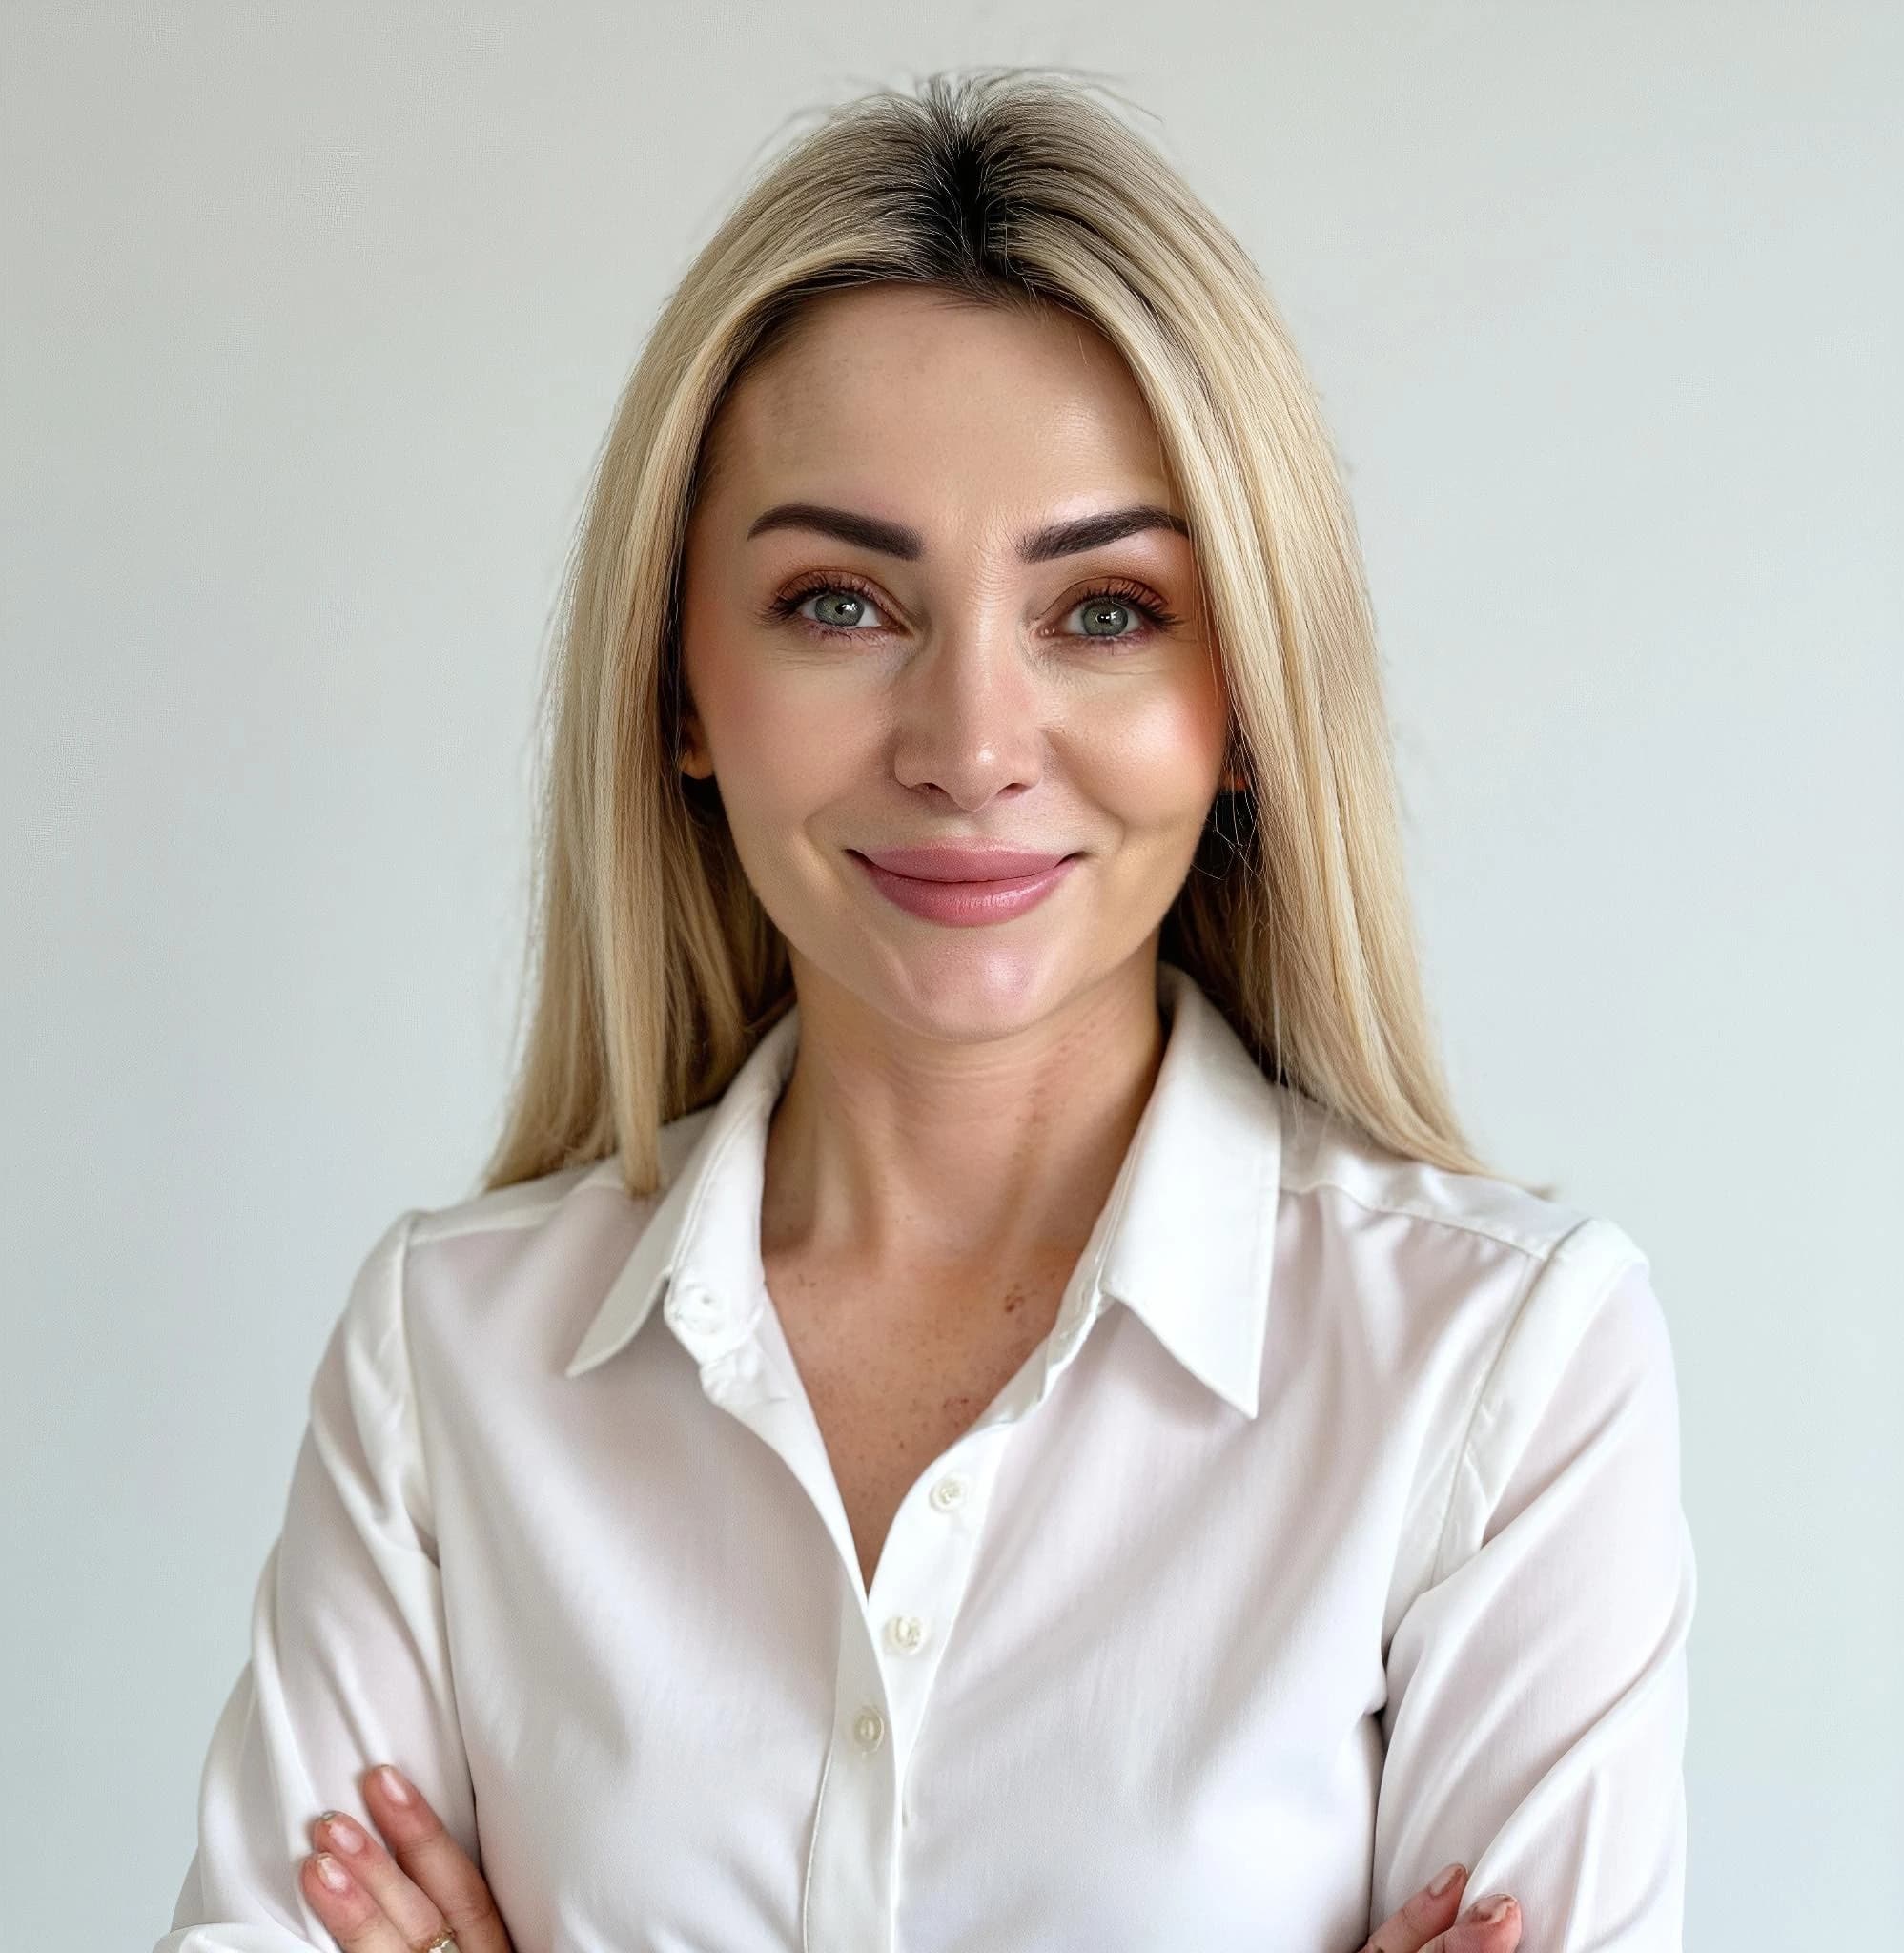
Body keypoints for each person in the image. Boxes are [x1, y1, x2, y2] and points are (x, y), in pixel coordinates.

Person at [156, 67, 1692, 1953]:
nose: (971, 747)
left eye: (1106, 610)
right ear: (680, 694)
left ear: (1246, 708)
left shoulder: (1500, 1371)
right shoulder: (446, 1363)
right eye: (836, 602)